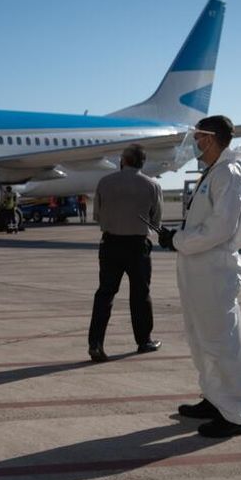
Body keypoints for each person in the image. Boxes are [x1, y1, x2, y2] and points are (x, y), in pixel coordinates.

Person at [158, 115, 241, 439]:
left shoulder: (229, 174)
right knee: (201, 338)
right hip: (199, 268)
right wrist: (179, 238)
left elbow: (220, 228)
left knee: (221, 341)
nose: (195, 145)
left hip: (214, 269)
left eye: (199, 139)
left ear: (211, 139)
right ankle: (215, 400)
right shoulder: (214, 173)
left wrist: (177, 240)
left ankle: (235, 413)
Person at [87, 144, 163, 362]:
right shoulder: (152, 185)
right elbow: (156, 220)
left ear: (124, 161)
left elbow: (98, 216)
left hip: (111, 243)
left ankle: (96, 343)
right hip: (137, 245)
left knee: (105, 294)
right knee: (140, 294)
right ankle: (143, 340)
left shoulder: (105, 182)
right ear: (142, 163)